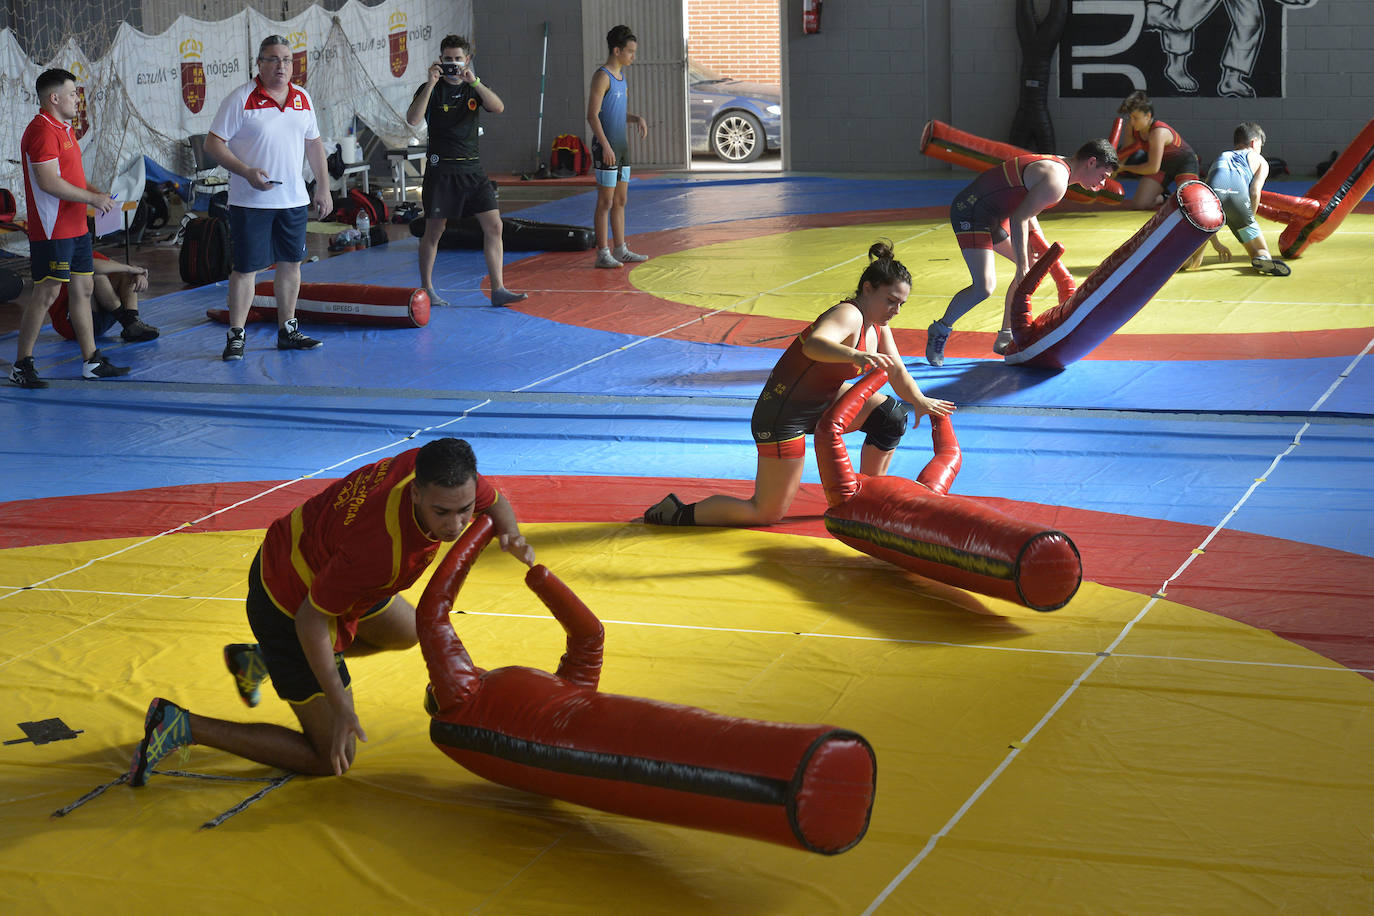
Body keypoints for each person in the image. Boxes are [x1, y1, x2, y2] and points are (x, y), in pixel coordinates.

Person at [128, 437, 535, 784]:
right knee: (330, 759)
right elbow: (310, 619)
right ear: (415, 493)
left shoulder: (437, 470)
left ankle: (258, 662)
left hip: (328, 566)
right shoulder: (379, 549)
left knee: (409, 630)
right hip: (288, 599)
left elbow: (494, 502)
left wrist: (511, 535)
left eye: (465, 509)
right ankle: (179, 724)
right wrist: (339, 705)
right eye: (442, 513)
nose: (456, 525)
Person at [644, 241, 956, 528]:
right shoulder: (848, 314)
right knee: (765, 512)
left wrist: (919, 400)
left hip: (821, 403)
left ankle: (866, 500)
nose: (896, 310)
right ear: (868, 288)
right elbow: (815, 345)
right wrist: (854, 353)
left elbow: (897, 372)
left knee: (890, 417)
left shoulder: (878, 327)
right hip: (783, 415)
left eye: (901, 304)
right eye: (891, 301)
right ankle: (678, 511)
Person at [926, 139, 1118, 366]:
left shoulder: (1058, 167)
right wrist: (1022, 265)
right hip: (972, 212)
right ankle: (940, 329)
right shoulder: (1057, 181)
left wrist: (1032, 256)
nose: (1103, 183)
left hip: (995, 214)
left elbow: (1027, 210)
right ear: (1091, 162)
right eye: (1104, 175)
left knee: (1028, 271)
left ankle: (1005, 336)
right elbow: (1020, 217)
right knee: (984, 287)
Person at [204, 34, 334, 361]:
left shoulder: (302, 98)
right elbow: (213, 145)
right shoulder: (240, 99)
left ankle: (287, 330)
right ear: (259, 64)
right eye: (273, 59)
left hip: (292, 200)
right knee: (246, 268)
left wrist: (322, 186)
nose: (281, 66)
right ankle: (236, 335)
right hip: (251, 201)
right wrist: (245, 170)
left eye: (287, 60)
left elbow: (314, 144)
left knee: (292, 264)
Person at [10, 68, 127, 389]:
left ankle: (91, 361)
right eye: (73, 93)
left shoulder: (65, 129)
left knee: (84, 289)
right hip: (53, 231)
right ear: (54, 97)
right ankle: (22, 364)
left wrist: (96, 193)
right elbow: (49, 182)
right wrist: (91, 197)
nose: (78, 98)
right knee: (46, 293)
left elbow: (72, 177)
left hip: (75, 228)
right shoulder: (41, 132)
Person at [405, 34, 526, 308]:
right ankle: (427, 288)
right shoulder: (431, 88)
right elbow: (413, 119)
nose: (452, 64)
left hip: (472, 169)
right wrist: (431, 83)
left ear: (467, 60)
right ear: (440, 59)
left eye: (457, 59)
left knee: (494, 226)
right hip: (441, 170)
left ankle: (498, 288)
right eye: (447, 59)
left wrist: (476, 81)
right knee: (434, 230)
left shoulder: (474, 87)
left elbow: (498, 107)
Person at [587, 24, 650, 269]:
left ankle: (621, 248)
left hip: (621, 147)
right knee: (605, 201)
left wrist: (636, 118)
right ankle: (602, 253)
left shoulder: (622, 78)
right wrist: (605, 146)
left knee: (620, 200)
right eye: (630, 51)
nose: (633, 56)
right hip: (607, 147)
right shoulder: (602, 76)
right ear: (617, 50)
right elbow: (592, 115)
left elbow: (616, 112)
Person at [1193, 121, 1290, 276]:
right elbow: (1254, 192)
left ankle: (1189, 262)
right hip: (1238, 200)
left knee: (1194, 258)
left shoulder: (1222, 156)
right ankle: (1261, 258)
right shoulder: (1259, 160)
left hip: (1211, 199)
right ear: (1254, 142)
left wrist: (1215, 243)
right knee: (1259, 249)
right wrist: (1249, 219)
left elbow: (1206, 194)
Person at [1113, 91, 1203, 209]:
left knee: (1188, 205)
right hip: (1163, 166)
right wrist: (1113, 171)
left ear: (1148, 116)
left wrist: (1123, 168)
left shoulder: (1158, 132)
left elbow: (1152, 168)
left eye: (1135, 118)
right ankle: (1164, 196)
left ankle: (1180, 193)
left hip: (1184, 164)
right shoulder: (1131, 128)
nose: (1132, 122)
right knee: (1139, 204)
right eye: (1130, 117)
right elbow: (1125, 153)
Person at [47, 251, 159, 343]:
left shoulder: (83, 248)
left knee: (124, 274)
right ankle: (129, 323)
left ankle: (132, 322)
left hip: (96, 316)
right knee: (93, 276)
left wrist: (137, 273)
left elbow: (119, 267)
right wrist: (131, 269)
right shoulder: (59, 253)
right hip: (72, 325)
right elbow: (87, 266)